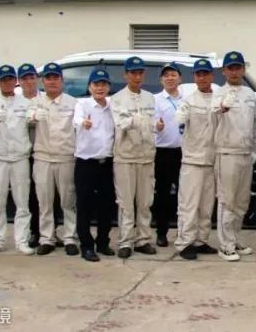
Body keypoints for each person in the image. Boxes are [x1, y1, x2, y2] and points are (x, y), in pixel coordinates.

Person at [211, 51, 256, 262]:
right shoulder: (218, 93)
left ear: (243, 69)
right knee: (227, 201)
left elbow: (254, 123)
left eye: (237, 67)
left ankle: (235, 238)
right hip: (227, 153)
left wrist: (255, 148)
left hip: (246, 154)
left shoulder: (249, 93)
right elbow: (216, 111)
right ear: (224, 71)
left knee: (241, 202)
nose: (234, 72)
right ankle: (226, 245)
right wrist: (223, 106)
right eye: (230, 68)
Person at [26, 62, 79, 256]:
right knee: (45, 202)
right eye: (48, 78)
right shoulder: (35, 102)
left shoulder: (73, 103)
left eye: (56, 77)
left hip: (66, 157)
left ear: (62, 80)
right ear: (43, 81)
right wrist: (33, 115)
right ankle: (47, 238)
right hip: (43, 158)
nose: (52, 81)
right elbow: (26, 117)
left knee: (68, 201)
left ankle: (70, 238)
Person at [110, 56, 160, 258]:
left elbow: (152, 122)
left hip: (146, 156)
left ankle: (143, 239)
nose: (137, 76)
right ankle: (125, 241)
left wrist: (157, 126)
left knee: (145, 202)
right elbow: (119, 123)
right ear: (126, 75)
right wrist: (133, 120)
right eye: (133, 73)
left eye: (140, 73)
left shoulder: (149, 97)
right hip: (126, 157)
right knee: (126, 203)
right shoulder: (117, 98)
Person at [0, 65, 34, 255]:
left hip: (20, 157)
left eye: (10, 79)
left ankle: (22, 240)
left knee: (22, 203)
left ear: (15, 81)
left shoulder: (25, 102)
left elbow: (32, 117)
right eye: (3, 79)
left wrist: (34, 116)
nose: (7, 82)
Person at [174, 59, 220, 260]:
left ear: (211, 75)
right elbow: (179, 119)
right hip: (192, 160)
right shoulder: (188, 100)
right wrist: (181, 116)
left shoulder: (219, 99)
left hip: (212, 159)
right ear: (194, 77)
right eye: (198, 74)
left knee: (206, 205)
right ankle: (185, 242)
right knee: (189, 204)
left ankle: (201, 240)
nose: (202, 78)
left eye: (205, 74)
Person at [72, 68, 117, 262]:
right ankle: (86, 246)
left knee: (106, 206)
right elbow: (76, 120)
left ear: (108, 87)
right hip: (86, 163)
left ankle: (103, 242)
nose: (100, 88)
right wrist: (84, 123)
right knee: (84, 206)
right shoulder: (82, 104)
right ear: (89, 87)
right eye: (96, 84)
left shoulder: (113, 106)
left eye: (103, 84)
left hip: (107, 163)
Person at [153, 62, 185, 247]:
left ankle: (183, 233)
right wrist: (157, 126)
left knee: (184, 195)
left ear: (180, 78)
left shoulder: (186, 99)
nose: (170, 78)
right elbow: (151, 123)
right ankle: (161, 233)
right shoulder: (155, 100)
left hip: (184, 152)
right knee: (162, 195)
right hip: (163, 152)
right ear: (161, 80)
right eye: (166, 75)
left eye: (173, 75)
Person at [17, 63, 44, 248]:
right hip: (22, 154)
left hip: (42, 153)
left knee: (45, 196)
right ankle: (33, 232)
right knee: (28, 196)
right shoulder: (15, 101)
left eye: (32, 77)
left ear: (37, 79)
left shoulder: (45, 99)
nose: (29, 81)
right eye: (25, 78)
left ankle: (48, 232)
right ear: (19, 81)